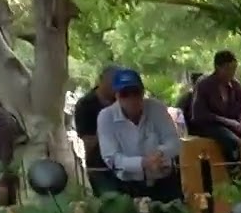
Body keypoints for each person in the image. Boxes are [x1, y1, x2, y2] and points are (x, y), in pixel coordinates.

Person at [95, 68, 183, 202]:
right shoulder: (106, 117)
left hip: (164, 182)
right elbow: (111, 157)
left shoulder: (157, 108)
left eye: (135, 92)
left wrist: (159, 154)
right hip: (128, 186)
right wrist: (143, 163)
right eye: (125, 94)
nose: (131, 99)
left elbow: (174, 141)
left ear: (142, 93)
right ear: (117, 96)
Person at [189, 50, 241, 167]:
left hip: (232, 124)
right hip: (208, 125)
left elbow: (240, 109)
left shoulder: (236, 86)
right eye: (227, 69)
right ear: (217, 67)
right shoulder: (204, 84)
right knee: (232, 141)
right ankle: (234, 175)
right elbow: (200, 114)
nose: (231, 73)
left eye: (234, 69)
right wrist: (227, 121)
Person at [74, 64, 118, 194]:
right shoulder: (85, 105)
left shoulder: (121, 101)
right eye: (112, 83)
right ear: (101, 81)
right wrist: (106, 130)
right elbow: (88, 142)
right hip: (100, 166)